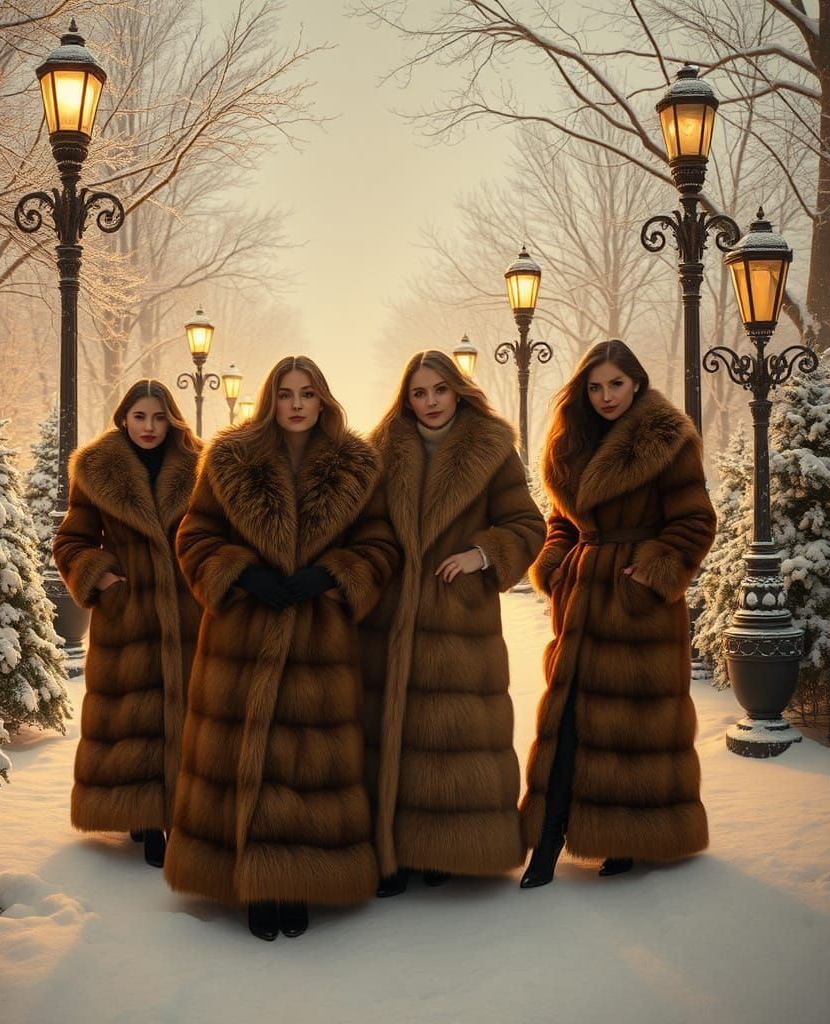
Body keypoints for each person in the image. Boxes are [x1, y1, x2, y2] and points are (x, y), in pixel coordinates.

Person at [163, 356, 398, 941]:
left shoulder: (359, 466)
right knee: (245, 760)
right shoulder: (228, 459)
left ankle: (300, 880)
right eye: (286, 393)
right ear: (270, 400)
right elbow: (194, 535)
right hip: (242, 635)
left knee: (307, 766)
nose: (296, 404)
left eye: (308, 393)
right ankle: (252, 884)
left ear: (323, 399)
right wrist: (240, 575)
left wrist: (335, 573)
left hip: (319, 641)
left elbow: (381, 544)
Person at [519, 339, 716, 888]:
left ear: (637, 384)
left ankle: (627, 836)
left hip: (635, 610)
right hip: (581, 600)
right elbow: (562, 520)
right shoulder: (569, 442)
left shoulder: (667, 442)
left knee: (627, 727)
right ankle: (547, 841)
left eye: (616, 384)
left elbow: (696, 521)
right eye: (596, 386)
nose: (606, 396)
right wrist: (556, 564)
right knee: (568, 722)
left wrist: (651, 572)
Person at [361, 350, 545, 897]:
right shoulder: (381, 449)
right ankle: (391, 851)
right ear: (406, 397)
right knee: (392, 734)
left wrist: (481, 555)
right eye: (419, 392)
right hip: (390, 616)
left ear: (457, 389)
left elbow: (525, 524)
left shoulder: (490, 447)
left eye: (439, 389)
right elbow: (362, 525)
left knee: (450, 737)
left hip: (457, 614)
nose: (430, 402)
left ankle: (444, 848)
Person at [53, 379, 201, 868]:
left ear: (172, 418)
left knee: (187, 710)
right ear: (124, 417)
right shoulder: (95, 469)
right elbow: (71, 541)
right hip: (129, 615)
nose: (150, 427)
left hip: (188, 613)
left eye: (159, 417)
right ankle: (141, 813)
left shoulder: (201, 465)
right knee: (136, 717)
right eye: (140, 417)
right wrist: (104, 578)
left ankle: (177, 814)